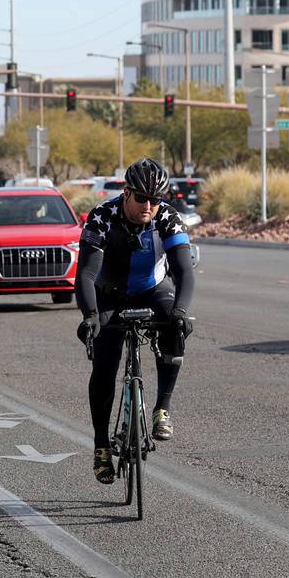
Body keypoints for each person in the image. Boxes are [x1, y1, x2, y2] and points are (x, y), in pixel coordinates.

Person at [75, 158, 196, 484]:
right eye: (141, 198)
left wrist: (181, 313)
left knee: (174, 324)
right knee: (104, 364)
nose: (148, 206)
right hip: (109, 295)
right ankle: (101, 444)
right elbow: (85, 273)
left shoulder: (168, 218)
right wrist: (89, 317)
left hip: (153, 291)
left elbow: (184, 271)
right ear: (126, 193)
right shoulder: (103, 216)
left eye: (155, 200)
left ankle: (162, 409)